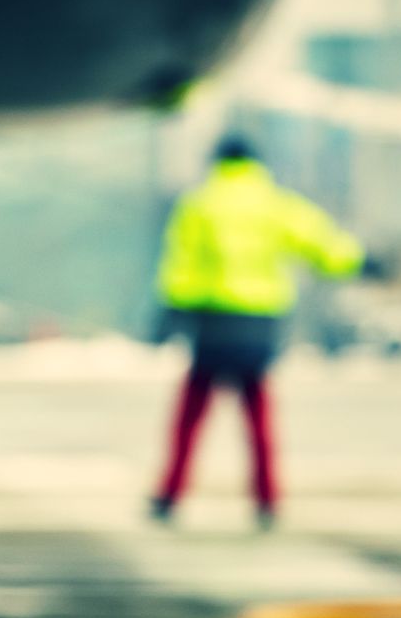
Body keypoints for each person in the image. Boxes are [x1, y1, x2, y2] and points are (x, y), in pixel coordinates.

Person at [150, 134, 371, 527]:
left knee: (190, 417)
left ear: (217, 161)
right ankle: (267, 499)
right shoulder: (274, 203)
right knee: (259, 418)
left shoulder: (199, 204)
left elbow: (180, 266)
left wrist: (169, 315)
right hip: (259, 326)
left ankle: (169, 494)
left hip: (213, 324)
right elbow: (321, 244)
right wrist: (362, 263)